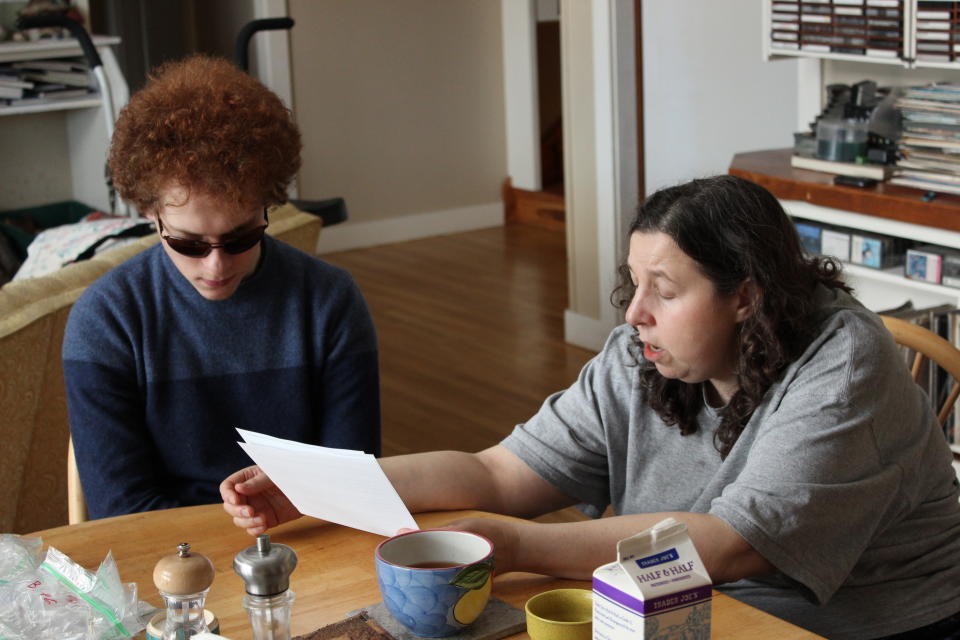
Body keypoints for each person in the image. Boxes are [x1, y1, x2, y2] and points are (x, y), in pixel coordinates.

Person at [221, 175, 960, 640]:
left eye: (663, 291)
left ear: (746, 295)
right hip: (668, 601)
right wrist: (322, 486)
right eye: (632, 282)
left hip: (851, 623)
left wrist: (512, 547)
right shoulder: (644, 352)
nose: (633, 312)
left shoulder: (845, 365)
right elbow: (496, 474)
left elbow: (736, 546)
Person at [64, 55, 380, 519]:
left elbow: (353, 477)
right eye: (189, 243)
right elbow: (123, 509)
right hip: (168, 563)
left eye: (241, 237)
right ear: (150, 215)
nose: (216, 265)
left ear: (269, 205)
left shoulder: (328, 301)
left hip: (305, 537)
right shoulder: (106, 319)